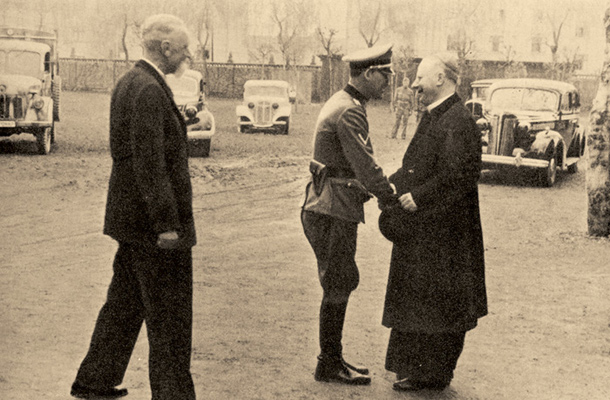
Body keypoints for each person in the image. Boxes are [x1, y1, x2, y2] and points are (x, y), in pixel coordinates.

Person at [70, 14, 196, 400]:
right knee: (170, 318)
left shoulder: (132, 82)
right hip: (154, 230)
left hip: (131, 224)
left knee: (124, 303)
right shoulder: (149, 90)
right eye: (184, 47)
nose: (188, 54)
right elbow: (149, 165)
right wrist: (167, 226)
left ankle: (95, 381)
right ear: (166, 48)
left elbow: (139, 151)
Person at [379, 53, 487, 392]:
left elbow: (460, 176)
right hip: (428, 230)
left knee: (441, 306)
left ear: (440, 78)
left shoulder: (458, 120)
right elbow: (416, 166)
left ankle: (434, 375)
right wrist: (385, 186)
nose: (414, 85)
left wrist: (420, 196)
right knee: (421, 301)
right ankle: (418, 370)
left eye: (420, 79)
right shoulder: (437, 115)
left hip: (448, 235)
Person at [300, 43, 398, 386]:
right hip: (333, 209)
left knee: (340, 280)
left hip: (329, 205)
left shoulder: (345, 102)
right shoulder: (350, 110)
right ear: (370, 73)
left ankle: (332, 358)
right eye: (385, 75)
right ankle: (328, 363)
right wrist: (390, 198)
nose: (388, 83)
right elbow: (365, 166)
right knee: (339, 282)